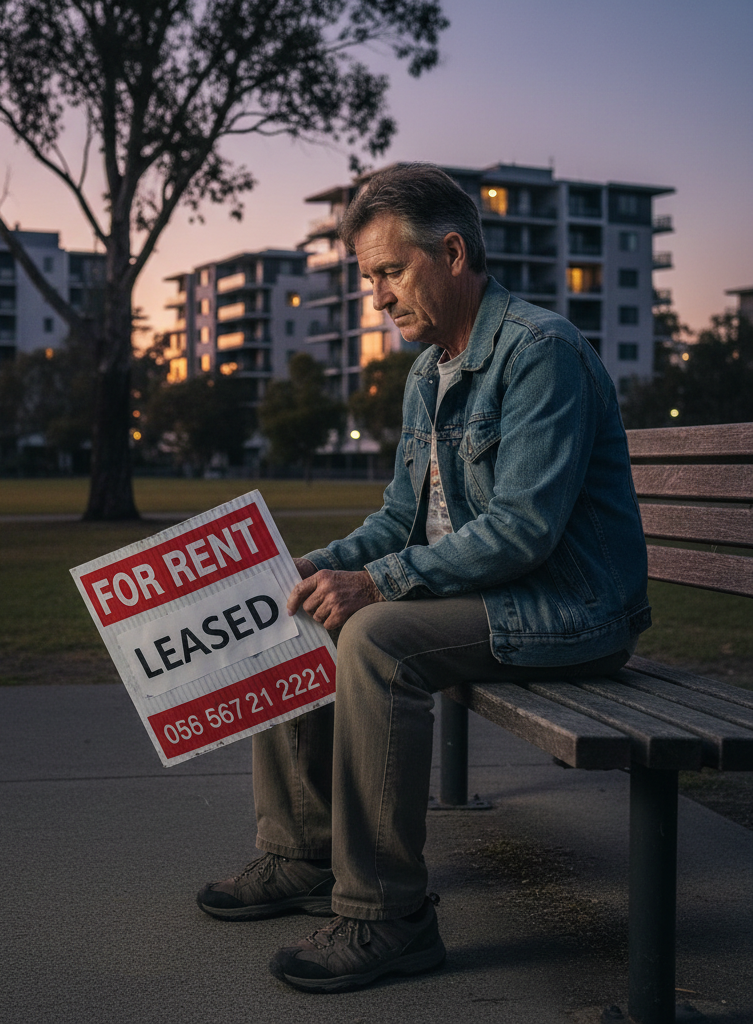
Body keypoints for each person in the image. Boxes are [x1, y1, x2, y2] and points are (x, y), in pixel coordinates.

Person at [195, 163, 651, 993]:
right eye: (368, 277)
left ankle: (389, 918)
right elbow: (398, 521)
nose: (376, 296)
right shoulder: (428, 370)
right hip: (491, 595)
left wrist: (376, 585)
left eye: (389, 272)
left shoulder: (540, 351)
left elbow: (523, 530)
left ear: (451, 252)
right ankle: (302, 856)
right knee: (292, 606)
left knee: (374, 638)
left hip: (572, 605)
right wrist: (318, 565)